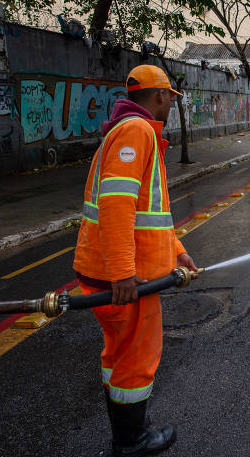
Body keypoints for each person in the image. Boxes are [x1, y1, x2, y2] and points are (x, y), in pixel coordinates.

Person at [72, 64, 198, 457]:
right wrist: (124, 272)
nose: (171, 107)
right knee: (136, 359)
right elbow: (116, 206)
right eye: (170, 99)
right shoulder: (137, 132)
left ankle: (129, 428)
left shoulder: (131, 130)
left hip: (110, 273)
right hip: (128, 279)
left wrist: (177, 251)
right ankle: (132, 441)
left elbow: (150, 214)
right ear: (159, 96)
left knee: (118, 354)